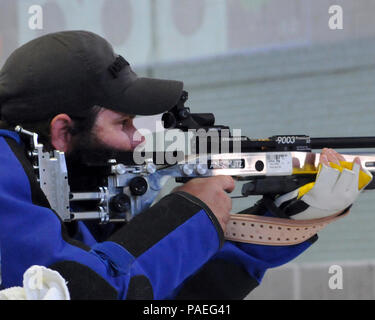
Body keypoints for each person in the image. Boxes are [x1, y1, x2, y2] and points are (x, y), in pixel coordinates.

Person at [0, 30, 369, 300]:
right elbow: (88, 290)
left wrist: (286, 219)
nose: (138, 139)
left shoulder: (60, 195)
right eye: (123, 124)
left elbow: (173, 297)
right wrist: (190, 212)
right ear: (63, 131)